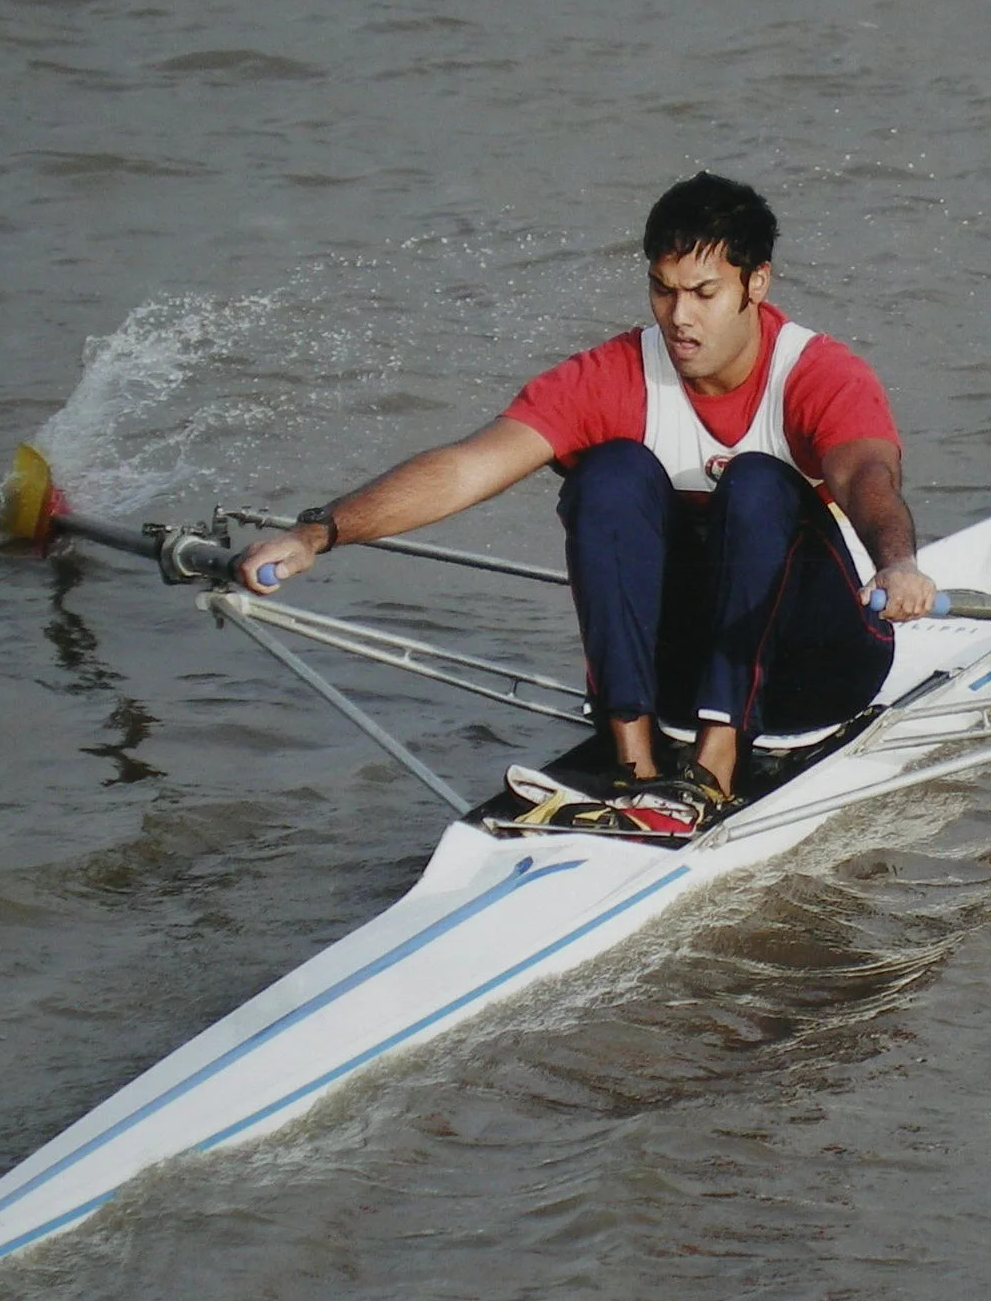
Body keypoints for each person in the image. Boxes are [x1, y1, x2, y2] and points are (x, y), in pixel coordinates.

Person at [238, 172, 937, 834]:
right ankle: (633, 763)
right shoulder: (612, 374)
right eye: (663, 292)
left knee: (756, 481)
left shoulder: (818, 374)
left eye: (703, 293)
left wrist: (898, 565)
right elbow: (464, 468)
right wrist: (316, 534)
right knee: (610, 475)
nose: (679, 318)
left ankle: (715, 769)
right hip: (677, 691)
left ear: (757, 283)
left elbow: (866, 478)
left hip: (818, 673)